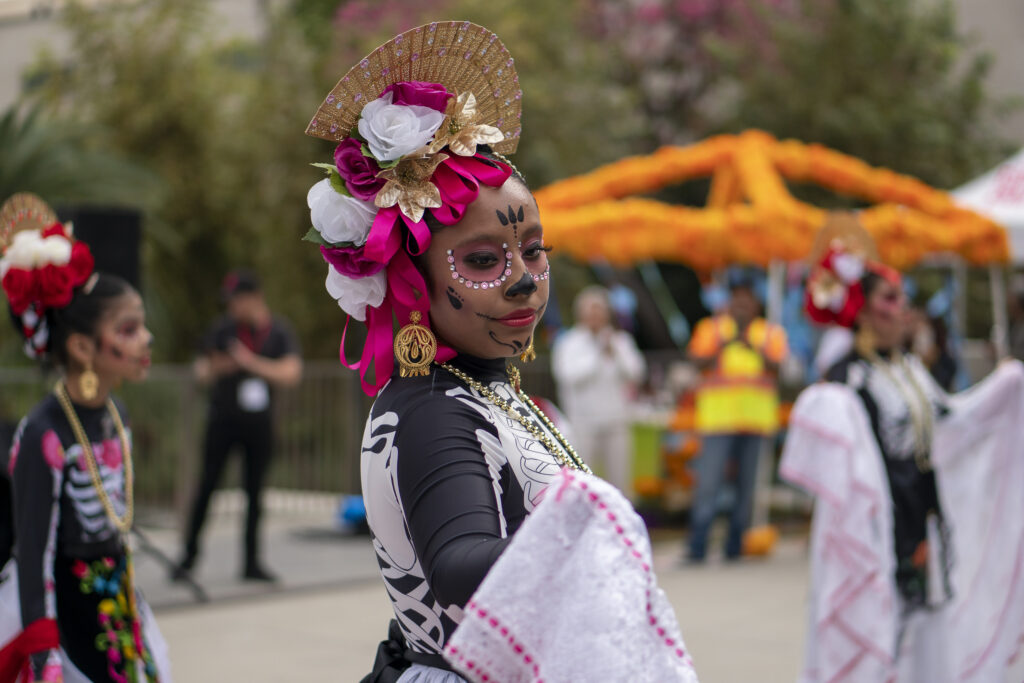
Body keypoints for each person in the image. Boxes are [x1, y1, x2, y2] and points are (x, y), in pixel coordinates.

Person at [303, 21, 698, 683]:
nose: (522, 278)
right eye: (483, 260)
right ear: (413, 281)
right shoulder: (432, 410)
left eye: (533, 251)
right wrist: (592, 526)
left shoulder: (480, 390)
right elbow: (460, 566)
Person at [782, 213, 1024, 682]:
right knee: (881, 628)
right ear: (862, 309)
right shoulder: (846, 378)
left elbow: (950, 425)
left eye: (902, 298)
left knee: (928, 628)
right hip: (879, 525)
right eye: (890, 298)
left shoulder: (909, 367)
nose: (903, 308)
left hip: (925, 517)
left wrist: (1005, 389)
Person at [0, 193, 171, 682]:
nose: (147, 340)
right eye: (130, 329)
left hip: (117, 606)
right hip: (65, 617)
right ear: (81, 346)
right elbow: (34, 553)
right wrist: (43, 650)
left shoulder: (116, 415)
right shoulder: (44, 435)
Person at [174, 270, 301, 583]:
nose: (232, 307)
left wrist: (250, 362)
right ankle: (187, 558)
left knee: (255, 494)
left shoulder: (278, 331)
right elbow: (201, 371)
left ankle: (251, 563)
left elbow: (291, 372)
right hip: (222, 422)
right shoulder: (223, 329)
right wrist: (219, 366)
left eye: (237, 300)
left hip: (259, 426)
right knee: (206, 487)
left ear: (254, 298)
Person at [685, 269, 788, 562]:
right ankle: (698, 546)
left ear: (756, 305)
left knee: (747, 487)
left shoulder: (770, 333)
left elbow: (781, 369)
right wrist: (725, 345)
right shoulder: (712, 329)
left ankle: (734, 547)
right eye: (737, 300)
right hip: (718, 421)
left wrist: (753, 346)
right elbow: (696, 361)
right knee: (709, 485)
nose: (742, 305)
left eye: (748, 300)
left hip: (756, 423)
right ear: (729, 303)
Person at [551, 286, 645, 496]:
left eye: (599, 310)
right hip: (583, 423)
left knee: (620, 481)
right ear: (581, 313)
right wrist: (597, 353)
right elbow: (569, 376)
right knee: (580, 480)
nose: (595, 315)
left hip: (616, 421)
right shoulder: (569, 342)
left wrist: (615, 353)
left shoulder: (619, 340)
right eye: (590, 310)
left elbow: (636, 373)